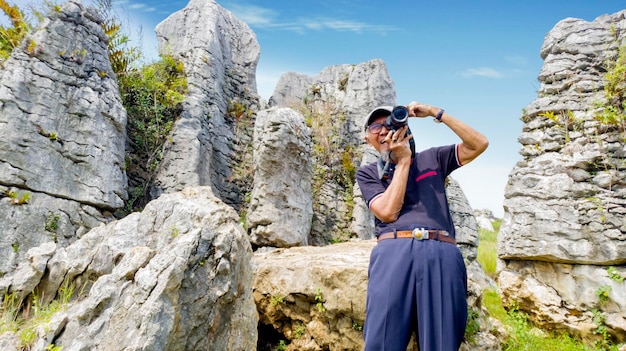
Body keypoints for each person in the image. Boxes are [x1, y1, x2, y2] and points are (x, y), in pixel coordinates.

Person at [356, 102, 489, 351]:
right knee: (381, 342)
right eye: (376, 126)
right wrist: (403, 162)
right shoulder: (368, 173)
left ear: (405, 128)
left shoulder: (433, 158)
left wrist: (436, 113)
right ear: (367, 138)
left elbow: (479, 144)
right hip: (393, 250)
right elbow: (387, 212)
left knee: (442, 342)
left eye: (389, 123)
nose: (384, 130)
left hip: (442, 250)